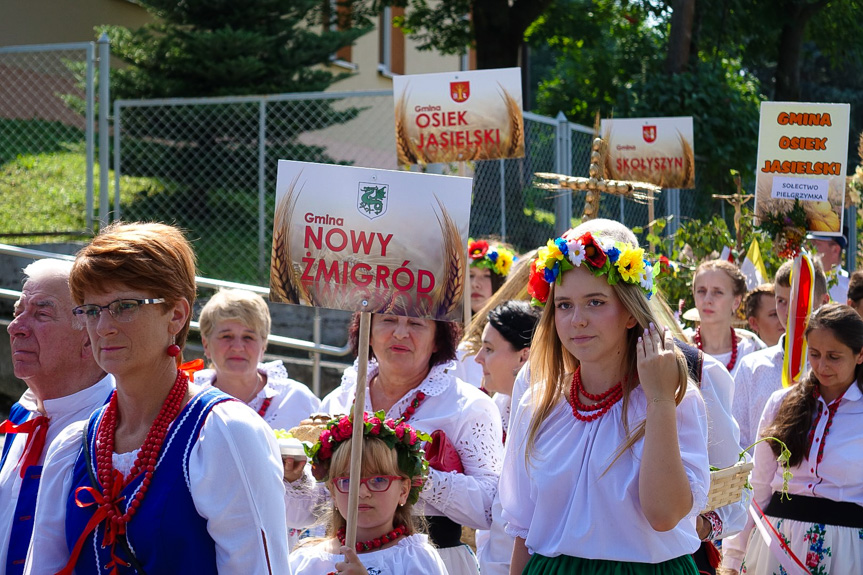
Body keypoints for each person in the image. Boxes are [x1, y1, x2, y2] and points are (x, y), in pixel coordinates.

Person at [24, 222, 290, 574]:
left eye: (125, 306)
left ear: (176, 315)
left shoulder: (224, 434)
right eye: (91, 310)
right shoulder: (74, 445)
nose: (104, 327)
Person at [502, 224, 710, 574]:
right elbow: (524, 531)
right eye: (564, 305)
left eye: (595, 303)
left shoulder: (674, 398)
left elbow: (664, 515)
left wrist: (659, 400)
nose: (577, 320)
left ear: (630, 312)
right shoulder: (538, 404)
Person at [283, 313, 502, 575]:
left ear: (437, 340)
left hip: (430, 563)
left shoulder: (468, 406)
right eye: (388, 320)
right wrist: (296, 480)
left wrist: (419, 477)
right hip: (340, 558)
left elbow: (490, 509)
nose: (400, 333)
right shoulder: (340, 400)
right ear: (368, 333)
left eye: (416, 323)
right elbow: (312, 509)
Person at [722, 304, 863, 574]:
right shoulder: (781, 402)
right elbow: (758, 487)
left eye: (834, 356)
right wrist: (732, 557)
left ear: (860, 355)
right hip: (777, 546)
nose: (822, 366)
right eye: (815, 354)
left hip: (846, 554)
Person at [1, 259, 114, 575]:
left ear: (89, 339)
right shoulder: (23, 414)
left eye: (40, 315)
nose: (15, 327)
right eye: (17, 312)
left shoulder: (121, 426)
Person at [288, 415, 447, 575]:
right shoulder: (305, 561)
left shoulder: (414, 558)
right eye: (347, 481)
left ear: (403, 491)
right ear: (333, 492)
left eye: (378, 480)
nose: (362, 493)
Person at [732, 259, 830, 450]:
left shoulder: (836, 368)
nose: (789, 311)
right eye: (781, 301)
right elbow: (739, 439)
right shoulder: (752, 366)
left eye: (799, 300)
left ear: (824, 302)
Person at [472, 301, 540, 575]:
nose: (478, 358)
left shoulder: (544, 415)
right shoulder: (498, 404)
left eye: (488, 349)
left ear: (523, 358)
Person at [197, 288, 320, 431]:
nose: (237, 347)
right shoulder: (190, 399)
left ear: (263, 345)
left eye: (248, 337)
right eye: (226, 336)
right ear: (206, 344)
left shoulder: (296, 399)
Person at [454, 239, 518, 388]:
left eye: (486, 276)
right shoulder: (453, 338)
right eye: (470, 275)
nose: (475, 283)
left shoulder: (517, 336)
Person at [688, 259, 766, 377]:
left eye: (718, 292)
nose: (707, 300)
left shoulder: (752, 351)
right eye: (701, 291)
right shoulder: (681, 348)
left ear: (736, 301)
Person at [808, 232, 849, 302]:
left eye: (815, 245)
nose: (809, 250)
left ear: (835, 249)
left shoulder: (848, 286)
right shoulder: (805, 279)